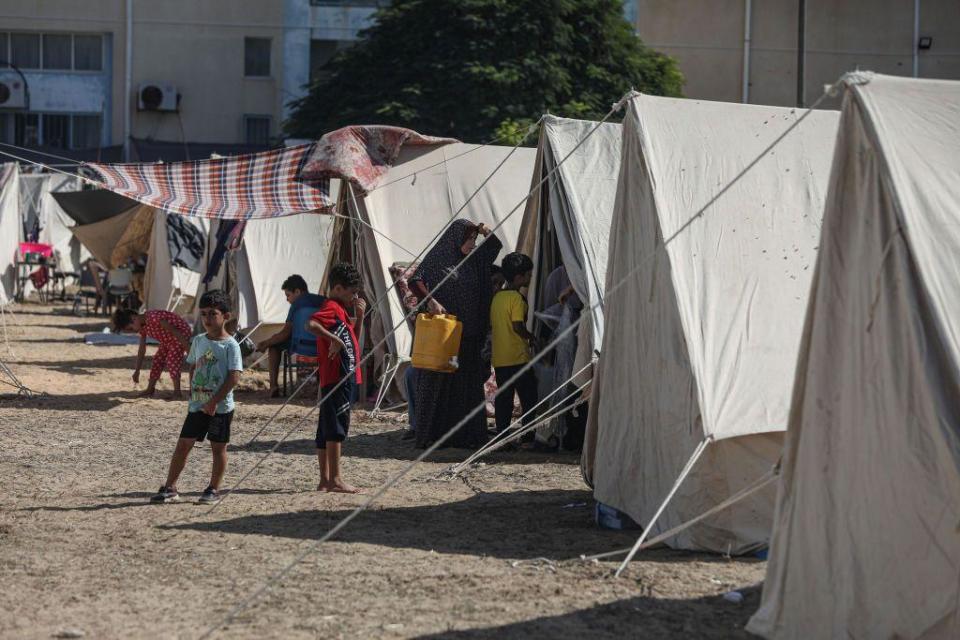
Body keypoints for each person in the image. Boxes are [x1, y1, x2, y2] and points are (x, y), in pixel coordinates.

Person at [409, 219, 502, 449]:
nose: (472, 243)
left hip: (469, 336)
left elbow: (495, 245)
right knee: (439, 383)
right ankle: (434, 434)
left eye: (474, 239)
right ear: (456, 238)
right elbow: (415, 280)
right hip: (445, 338)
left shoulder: (476, 261)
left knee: (466, 385)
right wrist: (430, 301)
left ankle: (465, 435)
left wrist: (482, 230)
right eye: (468, 239)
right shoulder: (440, 257)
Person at [150, 290, 243, 504]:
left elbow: (234, 377)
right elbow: (194, 364)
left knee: (218, 448)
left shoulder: (231, 346)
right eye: (203, 314)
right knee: (183, 444)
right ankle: (170, 487)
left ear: (225, 316)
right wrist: (192, 388)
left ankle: (213, 489)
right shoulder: (199, 340)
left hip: (220, 408)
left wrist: (213, 402)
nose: (207, 319)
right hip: (197, 405)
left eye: (213, 314)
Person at [306, 262, 365, 493]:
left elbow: (353, 342)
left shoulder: (340, 312)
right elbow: (310, 324)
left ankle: (325, 479)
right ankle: (336, 479)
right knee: (336, 428)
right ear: (338, 288)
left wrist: (359, 317)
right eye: (351, 293)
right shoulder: (331, 307)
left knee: (326, 428)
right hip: (337, 376)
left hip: (340, 374)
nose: (354, 297)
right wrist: (335, 340)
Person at [490, 252, 539, 439]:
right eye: (528, 274)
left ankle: (501, 436)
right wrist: (531, 337)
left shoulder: (497, 298)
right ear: (519, 277)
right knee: (529, 397)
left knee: (504, 398)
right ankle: (527, 436)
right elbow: (517, 326)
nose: (530, 277)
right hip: (518, 357)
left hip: (500, 358)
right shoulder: (517, 299)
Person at [255, 274, 326, 398]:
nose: (287, 300)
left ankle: (273, 386)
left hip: (300, 346)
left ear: (297, 291)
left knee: (274, 347)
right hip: (323, 345)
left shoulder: (297, 305)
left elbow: (285, 334)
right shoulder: (324, 300)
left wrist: (266, 343)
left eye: (288, 295)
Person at [113, 307, 192, 399]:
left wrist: (188, 349)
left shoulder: (153, 318)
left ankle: (177, 393)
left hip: (180, 333)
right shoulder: (142, 327)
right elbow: (142, 349)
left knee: (172, 360)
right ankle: (150, 389)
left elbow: (175, 331)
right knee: (157, 360)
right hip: (168, 339)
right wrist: (137, 370)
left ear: (133, 318)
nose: (133, 331)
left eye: (131, 328)